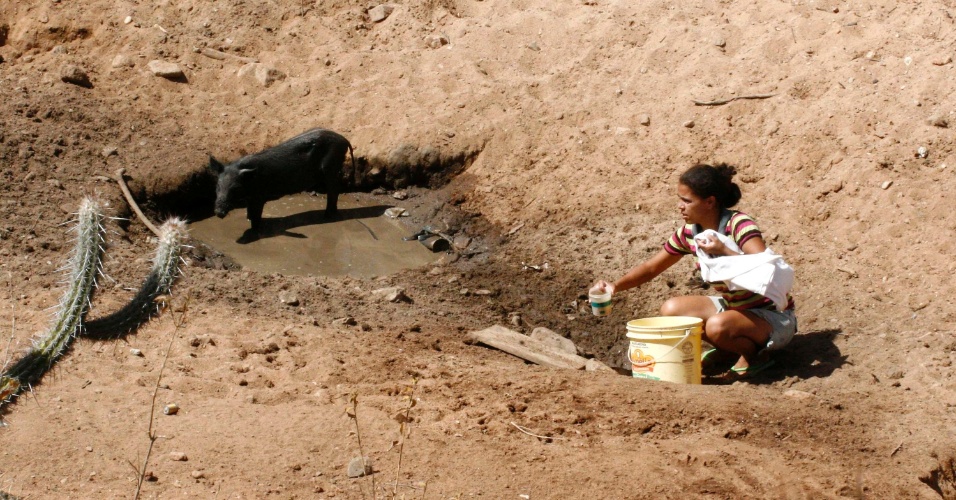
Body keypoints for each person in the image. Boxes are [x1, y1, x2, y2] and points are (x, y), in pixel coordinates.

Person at [591, 163, 796, 378]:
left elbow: (764, 268)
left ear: (709, 202)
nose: (680, 206)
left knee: (717, 327)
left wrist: (724, 250)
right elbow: (652, 267)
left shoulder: (738, 224)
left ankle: (754, 356)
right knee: (671, 310)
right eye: (680, 199)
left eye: (687, 201)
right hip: (735, 308)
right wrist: (615, 286)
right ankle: (728, 348)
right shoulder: (690, 233)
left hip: (774, 318)